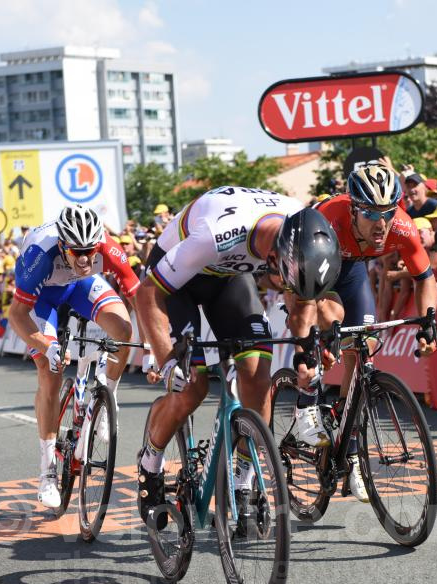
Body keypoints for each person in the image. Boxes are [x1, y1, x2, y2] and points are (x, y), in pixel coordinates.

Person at [134, 187, 340, 523]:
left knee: (258, 378)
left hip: (229, 278)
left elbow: (301, 298)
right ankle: (150, 465)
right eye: (283, 280)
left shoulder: (300, 233)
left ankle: (243, 483)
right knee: (191, 388)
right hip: (176, 282)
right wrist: (167, 360)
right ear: (273, 259)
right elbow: (147, 293)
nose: (283, 287)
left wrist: (306, 356)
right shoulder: (216, 235)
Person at [304, 164, 437, 501]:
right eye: (369, 213)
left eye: (388, 213)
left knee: (363, 346)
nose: (381, 224)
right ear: (353, 209)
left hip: (352, 270)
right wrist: (320, 329)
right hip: (316, 263)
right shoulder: (329, 221)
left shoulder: (403, 228)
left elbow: (425, 279)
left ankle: (350, 452)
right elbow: (303, 292)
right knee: (329, 317)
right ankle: (308, 402)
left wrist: (427, 324)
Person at [8, 204, 140, 510]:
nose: (84, 258)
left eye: (89, 251)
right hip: (44, 298)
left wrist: (154, 354)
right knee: (49, 371)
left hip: (80, 287)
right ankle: (47, 473)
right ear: (62, 245)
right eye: (76, 252)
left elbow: (137, 294)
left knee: (122, 330)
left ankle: (109, 398)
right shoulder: (40, 254)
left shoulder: (106, 246)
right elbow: (17, 315)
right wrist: (48, 346)